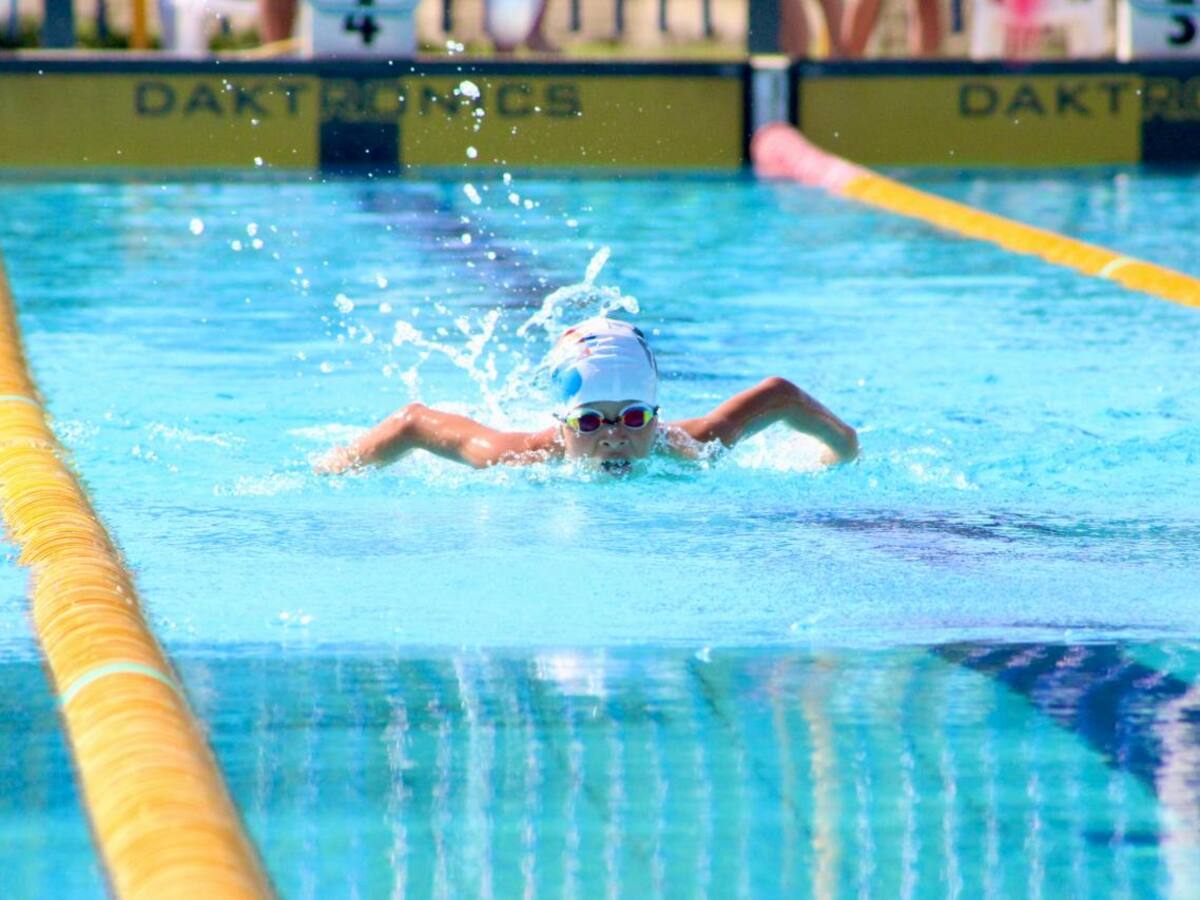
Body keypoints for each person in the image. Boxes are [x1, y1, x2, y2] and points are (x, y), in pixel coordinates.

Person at [315, 317, 858, 476]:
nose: (615, 437)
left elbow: (780, 394)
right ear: (563, 422)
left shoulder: (692, 447)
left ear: (657, 415)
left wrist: (838, 454)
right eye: (592, 422)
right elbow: (412, 422)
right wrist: (334, 469)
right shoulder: (516, 456)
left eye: (634, 417)